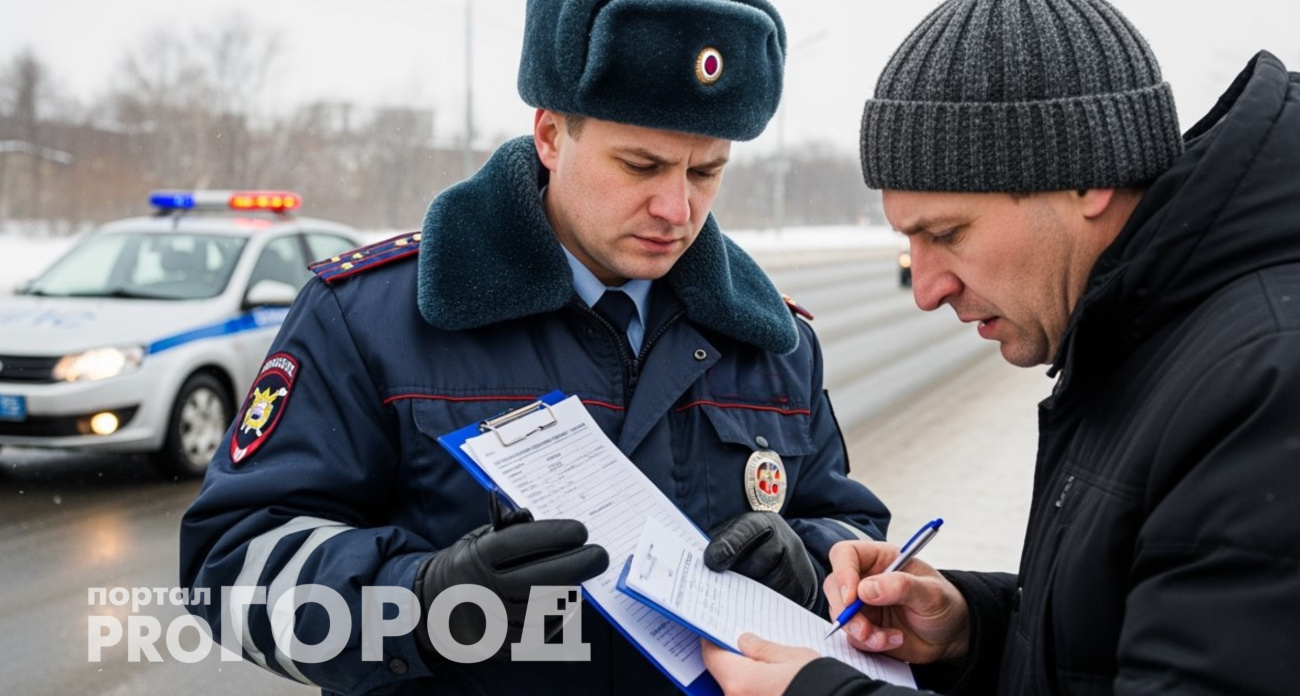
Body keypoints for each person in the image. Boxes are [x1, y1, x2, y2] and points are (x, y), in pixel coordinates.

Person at [179, 1, 891, 694]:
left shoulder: (773, 340)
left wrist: (812, 558)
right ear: (551, 135)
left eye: (706, 171)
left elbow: (855, 534)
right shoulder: (370, 317)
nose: (678, 211)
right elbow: (231, 562)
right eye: (641, 166)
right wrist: (421, 602)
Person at [701, 0, 1300, 694]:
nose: (925, 290)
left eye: (948, 233)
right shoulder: (1142, 341)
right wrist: (973, 632)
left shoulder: (1265, 384)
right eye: (907, 240)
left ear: (1087, 177)